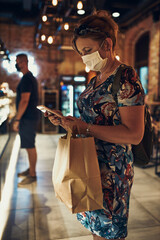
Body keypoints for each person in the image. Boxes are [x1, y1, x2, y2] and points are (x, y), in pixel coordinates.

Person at [46, 10, 145, 240]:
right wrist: (68, 122)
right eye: (81, 53)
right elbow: (91, 120)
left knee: (108, 232)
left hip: (111, 171)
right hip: (88, 163)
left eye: (88, 51)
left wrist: (85, 128)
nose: (84, 58)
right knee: (96, 229)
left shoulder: (126, 77)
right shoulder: (96, 78)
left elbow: (134, 134)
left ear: (107, 44)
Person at [13, 53, 39, 186]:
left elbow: (24, 100)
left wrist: (17, 120)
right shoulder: (28, 78)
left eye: (17, 62)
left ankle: (33, 175)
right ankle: (31, 170)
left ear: (23, 62)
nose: (16, 64)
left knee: (30, 146)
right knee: (29, 146)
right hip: (29, 118)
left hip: (27, 118)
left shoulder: (27, 79)